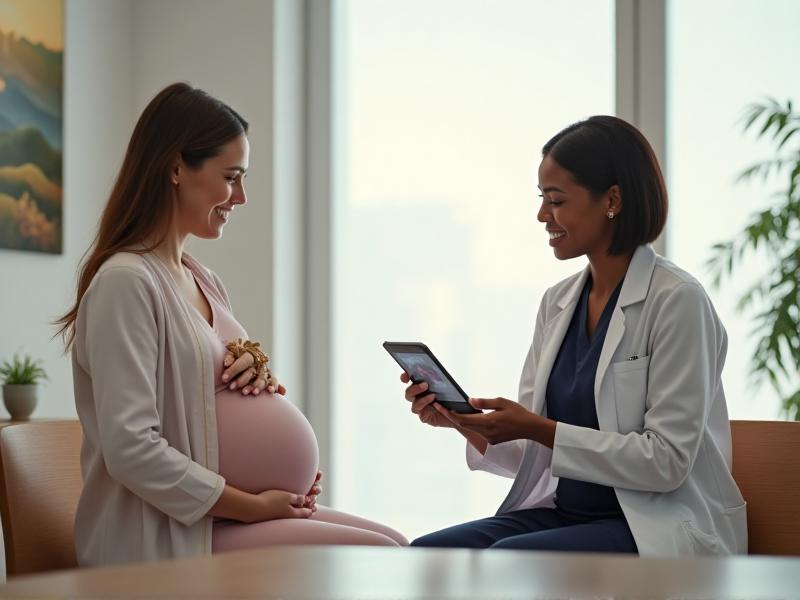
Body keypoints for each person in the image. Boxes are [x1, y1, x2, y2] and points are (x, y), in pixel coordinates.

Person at [57, 83, 406, 567]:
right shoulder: (126, 282)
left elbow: (207, 403)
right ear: (177, 168)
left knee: (401, 545)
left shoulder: (203, 277)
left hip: (224, 517)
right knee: (385, 559)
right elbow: (130, 448)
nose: (240, 197)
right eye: (231, 176)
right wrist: (253, 503)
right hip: (168, 537)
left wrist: (279, 458)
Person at [401, 115, 747, 556]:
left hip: (653, 525)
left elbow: (667, 462)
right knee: (429, 554)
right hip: (566, 515)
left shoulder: (678, 301)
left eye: (556, 200)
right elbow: (535, 455)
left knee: (507, 562)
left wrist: (540, 428)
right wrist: (465, 424)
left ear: (613, 200)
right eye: (542, 199)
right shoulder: (557, 302)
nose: (543, 214)